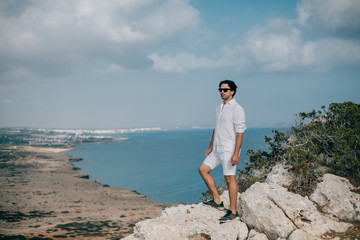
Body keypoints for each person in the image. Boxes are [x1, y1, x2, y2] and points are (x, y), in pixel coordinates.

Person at [199, 80, 246, 222]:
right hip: (217, 149)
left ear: (232, 91)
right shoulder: (219, 107)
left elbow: (240, 133)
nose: (222, 92)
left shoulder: (237, 109)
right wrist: (211, 146)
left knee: (229, 178)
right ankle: (217, 200)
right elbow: (216, 128)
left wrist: (236, 153)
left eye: (225, 89)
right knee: (203, 169)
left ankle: (233, 211)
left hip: (228, 149)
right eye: (220, 89)